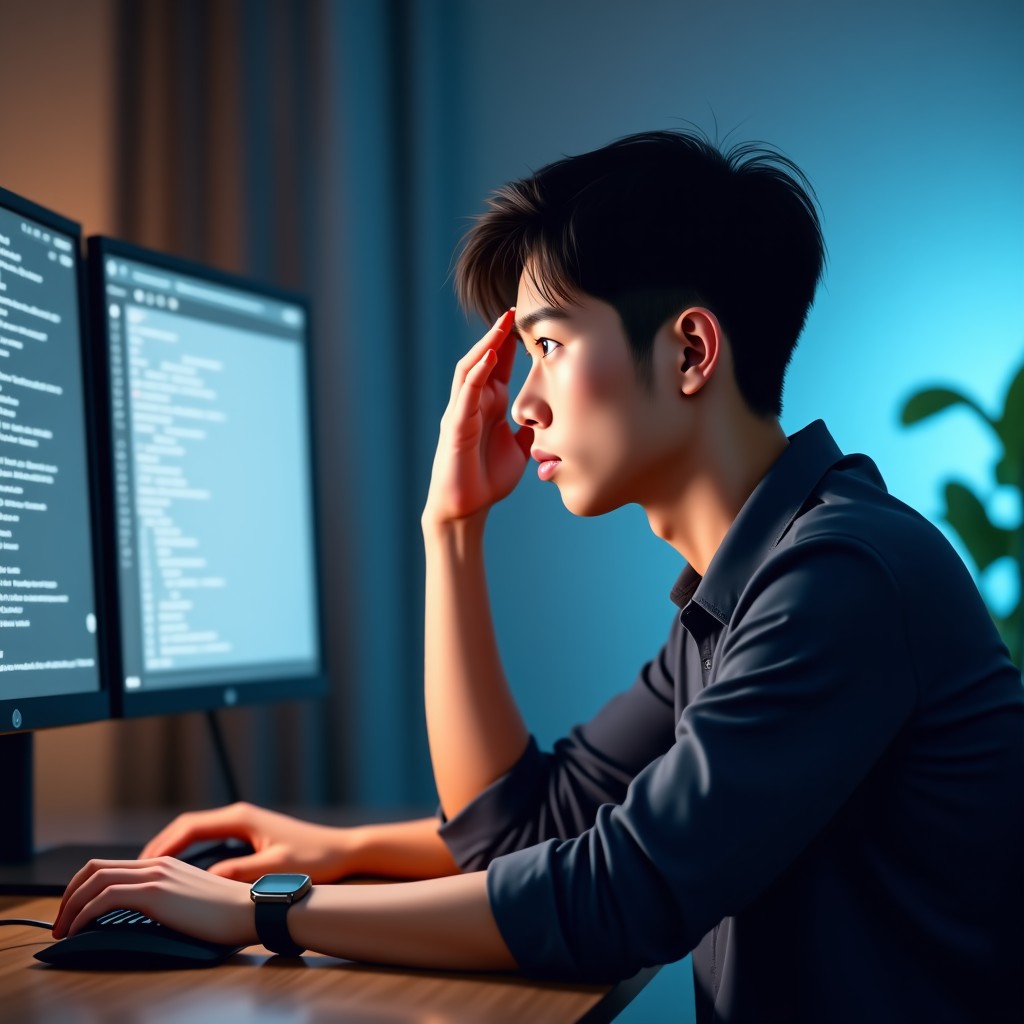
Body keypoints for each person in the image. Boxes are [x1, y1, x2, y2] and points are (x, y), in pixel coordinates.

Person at [55, 130, 1024, 1023]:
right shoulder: (744, 592)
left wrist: (273, 913)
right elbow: (519, 831)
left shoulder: (840, 579)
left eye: (549, 346)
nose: (522, 403)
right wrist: (453, 530)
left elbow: (619, 895)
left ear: (689, 350)